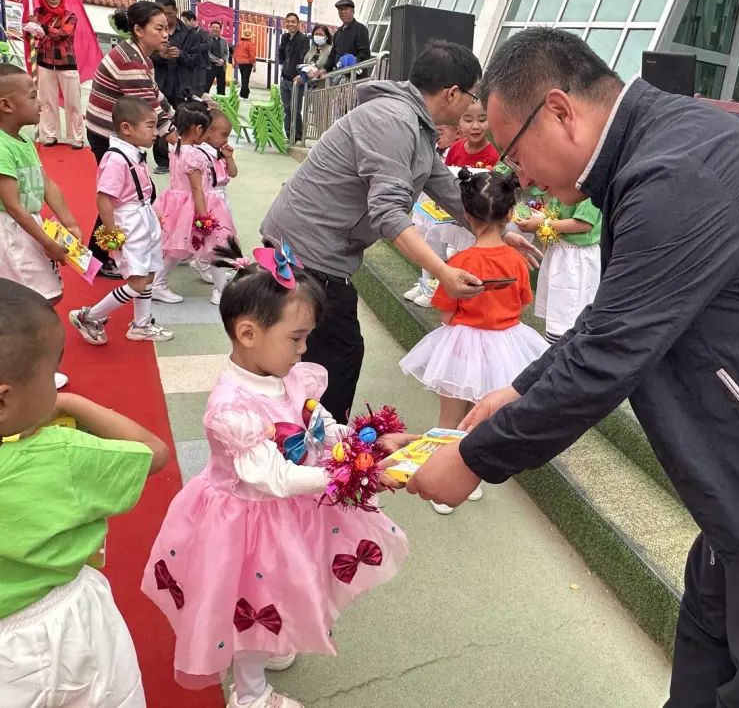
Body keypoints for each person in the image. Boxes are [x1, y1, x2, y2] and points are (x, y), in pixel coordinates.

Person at [406, 28, 739, 707]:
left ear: (560, 111)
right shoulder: (652, 152)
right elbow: (613, 318)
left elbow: (609, 356)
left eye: (513, 154)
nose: (522, 178)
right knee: (702, 668)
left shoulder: (676, 173)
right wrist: (518, 389)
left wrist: (475, 458)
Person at [140, 239, 408, 708]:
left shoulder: (289, 376)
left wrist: (360, 442)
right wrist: (349, 473)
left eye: (307, 338)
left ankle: (272, 640)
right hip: (245, 523)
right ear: (248, 333)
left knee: (279, 588)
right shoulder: (232, 408)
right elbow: (274, 477)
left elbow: (320, 425)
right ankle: (250, 693)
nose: (304, 349)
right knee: (248, 604)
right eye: (296, 338)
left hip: (287, 513)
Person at [260, 39, 540, 422]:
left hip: (319, 251)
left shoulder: (415, 125)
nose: (471, 106)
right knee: (333, 353)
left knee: (322, 352)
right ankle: (318, 442)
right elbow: (387, 212)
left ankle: (304, 432)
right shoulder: (393, 121)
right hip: (307, 254)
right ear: (452, 93)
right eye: (472, 96)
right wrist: (442, 272)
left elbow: (447, 188)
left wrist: (502, 232)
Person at [0, 279, 168, 708]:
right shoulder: (61, 454)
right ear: (3, 400)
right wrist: (72, 405)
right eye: (51, 374)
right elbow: (154, 453)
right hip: (70, 629)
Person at [400, 169, 546, 515]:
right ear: (510, 214)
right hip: (505, 348)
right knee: (481, 420)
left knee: (449, 419)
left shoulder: (459, 262)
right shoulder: (517, 261)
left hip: (461, 346)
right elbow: (522, 304)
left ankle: (437, 480)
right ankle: (470, 479)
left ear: (466, 214)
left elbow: (446, 314)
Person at [0, 63, 81, 389]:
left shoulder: (22, 141)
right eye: (33, 96)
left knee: (39, 299)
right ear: (6, 104)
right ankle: (26, 370)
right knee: (34, 301)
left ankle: (26, 366)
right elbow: (12, 206)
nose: (42, 103)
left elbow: (47, 183)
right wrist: (47, 243)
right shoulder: (2, 147)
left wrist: (69, 222)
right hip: (12, 233)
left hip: (28, 226)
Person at [69, 97, 173, 346]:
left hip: (143, 216)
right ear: (127, 128)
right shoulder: (116, 158)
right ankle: (89, 315)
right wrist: (112, 233)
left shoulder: (134, 153)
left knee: (148, 273)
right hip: (129, 222)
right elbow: (104, 198)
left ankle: (141, 325)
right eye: (150, 126)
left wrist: (151, 214)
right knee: (137, 281)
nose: (155, 133)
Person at [85, 1, 174, 278]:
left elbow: (156, 95)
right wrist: (174, 135)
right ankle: (104, 255)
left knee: (130, 192)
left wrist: (177, 119)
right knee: (122, 194)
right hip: (107, 133)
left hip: (116, 132)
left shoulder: (141, 57)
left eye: (167, 28)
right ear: (138, 30)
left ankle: (104, 253)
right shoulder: (130, 60)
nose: (165, 34)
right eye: (159, 28)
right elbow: (147, 107)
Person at [405, 99, 499, 308]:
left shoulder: (492, 155)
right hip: (448, 213)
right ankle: (428, 284)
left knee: (464, 253)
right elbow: (444, 181)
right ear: (459, 124)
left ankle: (452, 293)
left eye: (482, 119)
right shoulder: (455, 149)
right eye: (468, 119)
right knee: (431, 239)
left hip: (473, 218)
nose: (475, 126)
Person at [152, 102, 237, 305]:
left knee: (178, 249)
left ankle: (158, 283)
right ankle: (218, 291)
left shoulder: (177, 148)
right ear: (198, 129)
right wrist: (203, 217)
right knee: (215, 246)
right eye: (205, 130)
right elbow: (197, 188)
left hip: (179, 205)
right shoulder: (193, 154)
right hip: (198, 206)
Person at [515, 194, 602, 343]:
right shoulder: (565, 187)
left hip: (575, 258)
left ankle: (561, 346)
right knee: (558, 308)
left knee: (568, 310)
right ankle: (556, 344)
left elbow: (584, 224)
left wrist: (543, 224)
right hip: (561, 253)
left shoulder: (585, 191)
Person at [403, 123, 459, 307]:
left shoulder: (456, 150)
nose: (438, 135)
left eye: (442, 131)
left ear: (458, 131)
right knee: (423, 236)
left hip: (449, 208)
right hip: (427, 203)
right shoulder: (431, 148)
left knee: (441, 242)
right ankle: (426, 283)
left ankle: (438, 288)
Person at [191, 109, 239, 305]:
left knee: (218, 242)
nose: (226, 139)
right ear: (208, 132)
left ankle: (203, 264)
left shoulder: (219, 153)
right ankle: (218, 290)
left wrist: (229, 158)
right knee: (218, 244)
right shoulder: (200, 154)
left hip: (221, 200)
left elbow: (233, 174)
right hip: (210, 201)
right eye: (223, 134)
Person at [151, 0, 203, 173]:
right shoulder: (155, 32)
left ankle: (183, 158)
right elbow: (149, 56)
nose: (167, 17)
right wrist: (161, 56)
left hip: (182, 87)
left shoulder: (190, 34)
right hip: (162, 85)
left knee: (183, 123)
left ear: (176, 11)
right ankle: (162, 161)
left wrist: (181, 54)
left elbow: (197, 60)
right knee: (160, 122)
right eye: (162, 13)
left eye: (169, 13)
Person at [32, 0, 85, 149]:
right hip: (44, 62)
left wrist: (42, 27)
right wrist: (30, 28)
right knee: (46, 102)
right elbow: (32, 36)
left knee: (73, 103)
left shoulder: (70, 16)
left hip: (66, 64)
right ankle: (50, 134)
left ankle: (77, 136)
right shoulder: (37, 14)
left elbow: (63, 34)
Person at [277, 13, 309, 144]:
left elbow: (303, 58)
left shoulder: (303, 39)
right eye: (288, 21)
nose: (290, 24)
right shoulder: (285, 37)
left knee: (295, 109)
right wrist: (283, 64)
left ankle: (298, 136)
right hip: (285, 79)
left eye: (293, 21)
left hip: (296, 80)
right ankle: (288, 134)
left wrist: (301, 74)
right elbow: (281, 53)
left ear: (298, 23)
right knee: (287, 109)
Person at [323, 0, 371, 76]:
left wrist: (354, 60)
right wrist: (325, 69)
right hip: (339, 75)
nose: (342, 12)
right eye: (340, 10)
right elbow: (333, 54)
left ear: (353, 11)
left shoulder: (360, 29)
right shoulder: (338, 32)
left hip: (355, 76)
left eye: (345, 9)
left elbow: (365, 53)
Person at [180, 10, 212, 97]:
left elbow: (208, 45)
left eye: (185, 21)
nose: (184, 23)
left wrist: (194, 47)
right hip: (190, 65)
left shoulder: (204, 33)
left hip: (201, 66)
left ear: (192, 20)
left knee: (199, 88)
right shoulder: (185, 33)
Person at [206, 21, 231, 95]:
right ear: (210, 28)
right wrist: (217, 60)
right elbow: (207, 53)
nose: (215, 29)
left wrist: (223, 60)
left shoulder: (224, 40)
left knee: (221, 87)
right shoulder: (206, 39)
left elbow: (226, 52)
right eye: (213, 27)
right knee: (206, 85)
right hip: (210, 66)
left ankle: (220, 101)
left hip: (222, 67)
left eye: (217, 28)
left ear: (220, 29)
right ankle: (203, 101)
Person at [233, 29, 257, 100]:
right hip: (247, 63)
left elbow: (235, 53)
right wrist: (254, 65)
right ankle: (244, 95)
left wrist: (234, 61)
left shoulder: (239, 43)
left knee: (243, 78)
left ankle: (244, 92)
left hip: (240, 63)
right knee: (246, 79)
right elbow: (252, 55)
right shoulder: (251, 44)